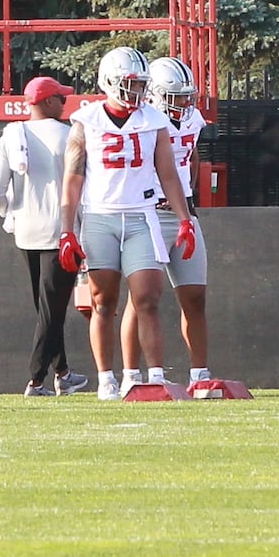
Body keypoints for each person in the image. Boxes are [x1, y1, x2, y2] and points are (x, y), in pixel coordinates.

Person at [59, 46, 198, 401]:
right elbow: (72, 178)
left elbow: (168, 173)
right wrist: (67, 229)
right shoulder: (86, 120)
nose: (137, 91)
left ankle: (152, 376)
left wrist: (184, 219)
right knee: (103, 302)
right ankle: (107, 378)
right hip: (100, 216)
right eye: (131, 83)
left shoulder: (154, 120)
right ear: (111, 82)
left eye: (140, 84)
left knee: (149, 297)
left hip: (141, 214)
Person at [0, 75, 89, 397]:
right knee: (52, 309)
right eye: (61, 96)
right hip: (62, 231)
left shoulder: (11, 135)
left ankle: (63, 372)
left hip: (26, 230)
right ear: (48, 101)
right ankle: (36, 379)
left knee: (46, 307)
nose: (65, 101)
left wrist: (11, 212)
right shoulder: (71, 133)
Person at [118, 56, 213, 389]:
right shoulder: (142, 120)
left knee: (195, 297)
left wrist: (188, 199)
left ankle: (200, 374)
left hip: (182, 214)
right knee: (142, 298)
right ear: (156, 94)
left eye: (188, 96)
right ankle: (132, 375)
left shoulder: (193, 119)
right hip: (148, 212)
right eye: (177, 96)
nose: (185, 103)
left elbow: (192, 157)